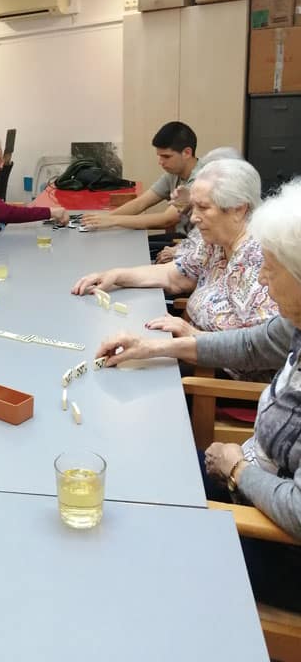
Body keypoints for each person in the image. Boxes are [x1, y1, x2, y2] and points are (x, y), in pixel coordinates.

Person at [96, 180, 301, 612]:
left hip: (279, 546)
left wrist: (237, 471)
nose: (262, 277)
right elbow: (247, 345)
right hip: (253, 483)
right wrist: (153, 347)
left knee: (137, 542)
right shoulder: (295, 324)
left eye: (272, 268)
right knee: (141, 477)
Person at [72, 159, 278, 379]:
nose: (193, 217)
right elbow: (176, 275)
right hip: (191, 349)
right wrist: (116, 275)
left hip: (222, 374)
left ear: (239, 209)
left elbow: (260, 350)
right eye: (194, 205)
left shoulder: (260, 262)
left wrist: (192, 337)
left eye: (203, 207)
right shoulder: (216, 240)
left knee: (126, 374)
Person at [80, 122, 200, 245]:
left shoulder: (201, 181)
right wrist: (103, 218)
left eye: (166, 157)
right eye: (159, 156)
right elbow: (141, 203)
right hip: (184, 241)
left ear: (187, 153)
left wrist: (112, 220)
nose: (161, 162)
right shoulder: (174, 173)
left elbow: (167, 219)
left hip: (194, 247)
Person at [156, 146, 243, 265]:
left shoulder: (236, 208)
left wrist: (178, 253)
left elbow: (207, 253)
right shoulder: (215, 200)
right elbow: (198, 239)